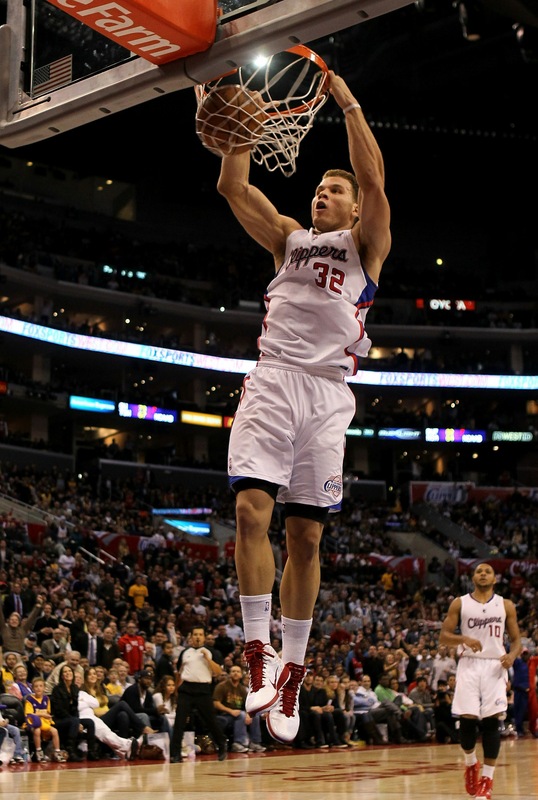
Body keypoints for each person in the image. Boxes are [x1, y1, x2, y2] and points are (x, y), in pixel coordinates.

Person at [214, 69, 390, 746]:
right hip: (272, 380)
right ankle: (257, 652)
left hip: (326, 395)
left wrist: (346, 98)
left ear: (350, 209)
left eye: (334, 190)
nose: (324, 193)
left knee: (307, 536)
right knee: (250, 510)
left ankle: (293, 669)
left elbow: (375, 181)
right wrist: (237, 127)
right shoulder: (287, 237)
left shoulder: (366, 246)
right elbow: (233, 186)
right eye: (320, 187)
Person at [439, 562, 522, 800]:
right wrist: (464, 638)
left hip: (495, 665)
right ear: (473, 577)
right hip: (469, 664)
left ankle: (487, 779)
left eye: (488, 571)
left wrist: (512, 656)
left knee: (491, 721)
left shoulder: (505, 605)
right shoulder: (460, 603)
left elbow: (516, 640)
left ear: (494, 579)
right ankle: (470, 763)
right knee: (467, 721)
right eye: (479, 571)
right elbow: (443, 637)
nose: (483, 574)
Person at [169, 626, 228, 763]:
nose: (197, 637)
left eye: (200, 634)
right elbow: (179, 672)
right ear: (191, 636)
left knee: (211, 721)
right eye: (195, 634)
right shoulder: (185, 652)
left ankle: (222, 745)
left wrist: (208, 659)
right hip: (186, 689)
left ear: (204, 637)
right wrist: (177, 690)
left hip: (203, 690)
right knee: (179, 722)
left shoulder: (211, 652)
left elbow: (218, 672)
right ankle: (175, 753)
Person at [78, 667, 139, 760]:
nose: (93, 676)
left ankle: (122, 751)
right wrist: (87, 703)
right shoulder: (82, 691)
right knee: (121, 705)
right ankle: (127, 744)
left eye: (94, 674)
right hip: (91, 717)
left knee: (122, 715)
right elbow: (79, 706)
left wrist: (85, 701)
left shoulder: (99, 688)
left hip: (97, 717)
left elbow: (95, 703)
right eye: (90, 674)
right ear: (85, 677)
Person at [50, 663, 98, 762]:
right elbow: (59, 710)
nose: (68, 673)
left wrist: (78, 722)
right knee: (74, 721)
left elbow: (75, 708)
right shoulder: (57, 689)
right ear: (62, 675)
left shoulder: (75, 688)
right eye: (65, 672)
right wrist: (75, 721)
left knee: (90, 722)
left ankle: (91, 752)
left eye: (69, 671)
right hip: (59, 720)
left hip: (72, 719)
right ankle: (70, 751)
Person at [213, 664, 266, 753]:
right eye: (233, 671)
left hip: (237, 713)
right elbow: (215, 703)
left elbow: (248, 704)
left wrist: (249, 714)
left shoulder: (242, 689)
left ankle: (255, 743)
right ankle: (238, 743)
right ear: (229, 674)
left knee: (254, 716)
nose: (235, 673)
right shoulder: (222, 686)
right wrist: (230, 711)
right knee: (241, 714)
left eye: (238, 671)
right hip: (225, 714)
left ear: (241, 675)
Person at [24, 677, 66, 763]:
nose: (38, 688)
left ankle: (57, 752)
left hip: (45, 723)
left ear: (44, 688)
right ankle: (39, 752)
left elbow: (48, 713)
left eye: (40, 686)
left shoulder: (46, 699)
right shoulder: (29, 700)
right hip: (33, 723)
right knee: (37, 731)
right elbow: (29, 714)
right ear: (32, 688)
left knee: (54, 731)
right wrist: (42, 714)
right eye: (36, 686)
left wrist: (48, 716)